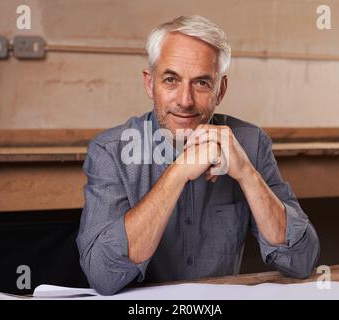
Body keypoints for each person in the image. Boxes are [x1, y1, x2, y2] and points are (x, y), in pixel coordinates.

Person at [76, 15, 320, 295]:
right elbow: (103, 276)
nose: (185, 100)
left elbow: (301, 260)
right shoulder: (110, 151)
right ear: (149, 83)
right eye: (171, 80)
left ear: (221, 90)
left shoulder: (250, 144)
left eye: (202, 83)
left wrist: (247, 174)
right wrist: (179, 172)